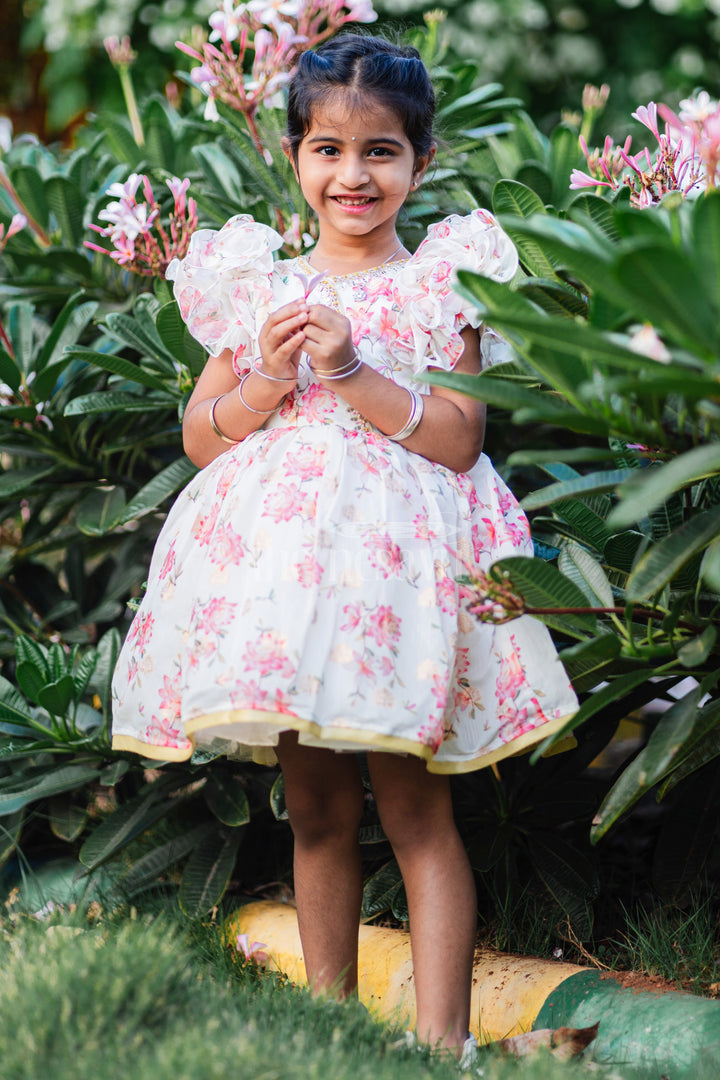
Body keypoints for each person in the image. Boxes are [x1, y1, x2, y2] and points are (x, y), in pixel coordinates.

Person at [112, 33, 578, 1064]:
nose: (352, 174)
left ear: (419, 160)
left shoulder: (437, 286)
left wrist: (357, 365)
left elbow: (459, 439)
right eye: (328, 149)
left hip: (400, 586)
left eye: (380, 152)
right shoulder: (255, 287)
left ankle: (440, 1041)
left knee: (416, 806)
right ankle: (326, 1029)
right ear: (294, 157)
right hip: (291, 595)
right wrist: (270, 379)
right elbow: (202, 437)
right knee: (317, 806)